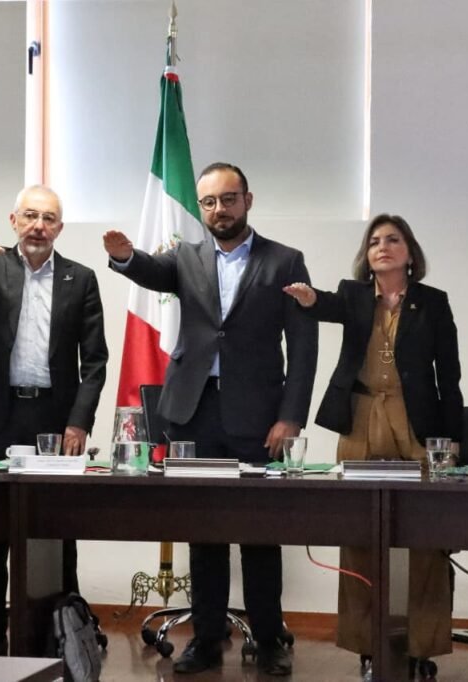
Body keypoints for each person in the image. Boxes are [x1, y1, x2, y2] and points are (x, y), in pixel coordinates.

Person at [103, 162, 318, 676]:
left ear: (247, 200)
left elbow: (304, 346)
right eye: (209, 202)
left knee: (260, 535)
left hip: (258, 417)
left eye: (228, 199)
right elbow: (151, 272)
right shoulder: (186, 256)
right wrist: (125, 256)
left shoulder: (285, 260)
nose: (219, 209)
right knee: (204, 532)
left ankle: (269, 639)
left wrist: (291, 416)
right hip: (194, 414)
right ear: (201, 208)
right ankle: (206, 638)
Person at [284, 213, 463, 674]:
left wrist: (451, 440)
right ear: (366, 255)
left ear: (410, 252)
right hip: (361, 418)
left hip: (415, 421)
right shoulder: (354, 296)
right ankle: (368, 646)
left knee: (425, 540)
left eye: (393, 239)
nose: (382, 246)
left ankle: (420, 648)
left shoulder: (433, 302)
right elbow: (326, 305)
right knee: (360, 535)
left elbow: (450, 378)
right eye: (375, 241)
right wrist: (308, 298)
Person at [0, 184, 108, 656]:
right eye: (30, 216)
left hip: (54, 419)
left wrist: (79, 421)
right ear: (14, 220)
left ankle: (62, 627)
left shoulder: (81, 278)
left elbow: (95, 360)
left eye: (48, 218)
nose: (39, 226)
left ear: (60, 227)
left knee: (58, 527)